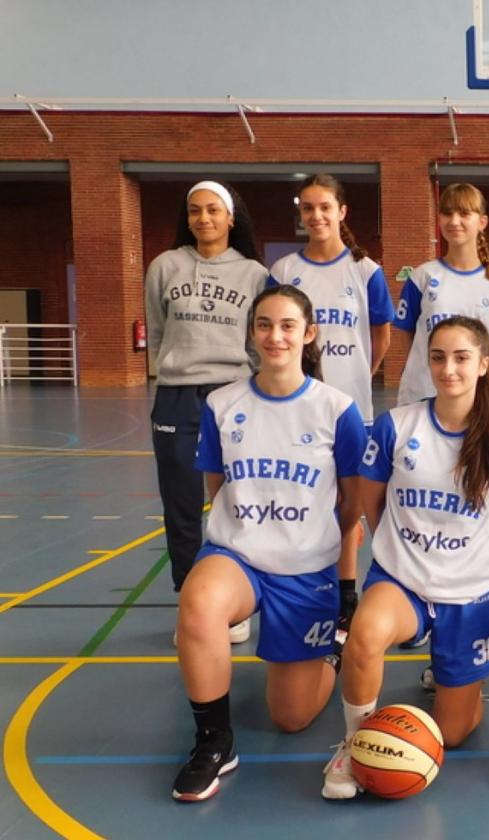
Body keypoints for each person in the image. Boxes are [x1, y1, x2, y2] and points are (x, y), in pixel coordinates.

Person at [171, 285, 367, 801]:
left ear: (309, 334)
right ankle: (214, 741)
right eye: (264, 325)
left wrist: (328, 562)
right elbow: (219, 489)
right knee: (198, 603)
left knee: (291, 718)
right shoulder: (221, 404)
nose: (275, 336)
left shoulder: (337, 410)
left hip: (306, 570)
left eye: (286, 325)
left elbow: (351, 506)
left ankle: (330, 654)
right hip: (239, 556)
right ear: (252, 332)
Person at [322, 315, 489, 799]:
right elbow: (372, 500)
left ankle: (461, 682)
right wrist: (397, 550)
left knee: (452, 734)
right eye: (438, 357)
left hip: (468, 590)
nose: (448, 369)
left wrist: (476, 556)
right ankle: (354, 742)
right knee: (365, 635)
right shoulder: (398, 425)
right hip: (403, 580)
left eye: (461, 358)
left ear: (483, 363)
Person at [268, 174, 394, 642]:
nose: (316, 216)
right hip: (295, 412)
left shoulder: (365, 272)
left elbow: (379, 336)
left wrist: (354, 376)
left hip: (351, 410)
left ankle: (346, 592)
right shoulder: (283, 272)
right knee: (303, 500)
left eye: (325, 207)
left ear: (342, 212)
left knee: (350, 506)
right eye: (308, 208)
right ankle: (298, 585)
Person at [145, 180, 268, 643]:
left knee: (234, 501)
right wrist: (170, 371)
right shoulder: (165, 266)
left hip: (233, 393)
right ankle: (190, 601)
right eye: (195, 211)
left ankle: (233, 605)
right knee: (179, 504)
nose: (204, 218)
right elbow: (157, 332)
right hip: (176, 394)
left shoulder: (255, 273)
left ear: (231, 218)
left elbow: (257, 341)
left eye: (213, 210)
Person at [393, 183, 489, 407]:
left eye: (464, 213)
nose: (454, 221)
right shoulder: (422, 277)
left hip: (470, 399)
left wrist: (471, 380)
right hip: (420, 393)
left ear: (482, 222)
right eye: (447, 213)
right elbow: (408, 335)